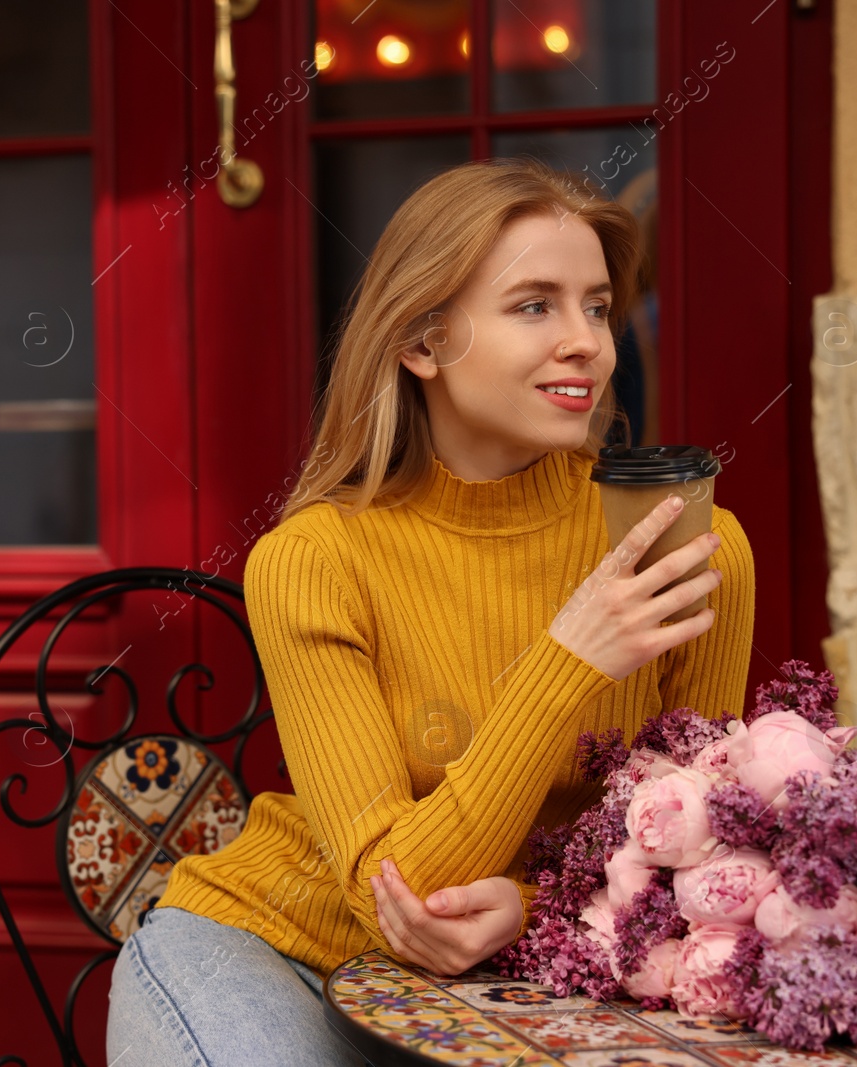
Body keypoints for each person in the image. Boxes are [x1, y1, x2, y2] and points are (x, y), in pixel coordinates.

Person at [104, 158, 755, 1066]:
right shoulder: (312, 560)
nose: (587, 343)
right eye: (535, 305)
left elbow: (706, 862)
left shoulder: (692, 545)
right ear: (421, 341)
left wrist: (529, 910)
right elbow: (404, 893)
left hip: (523, 975)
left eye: (598, 306)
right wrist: (569, 659)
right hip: (279, 950)